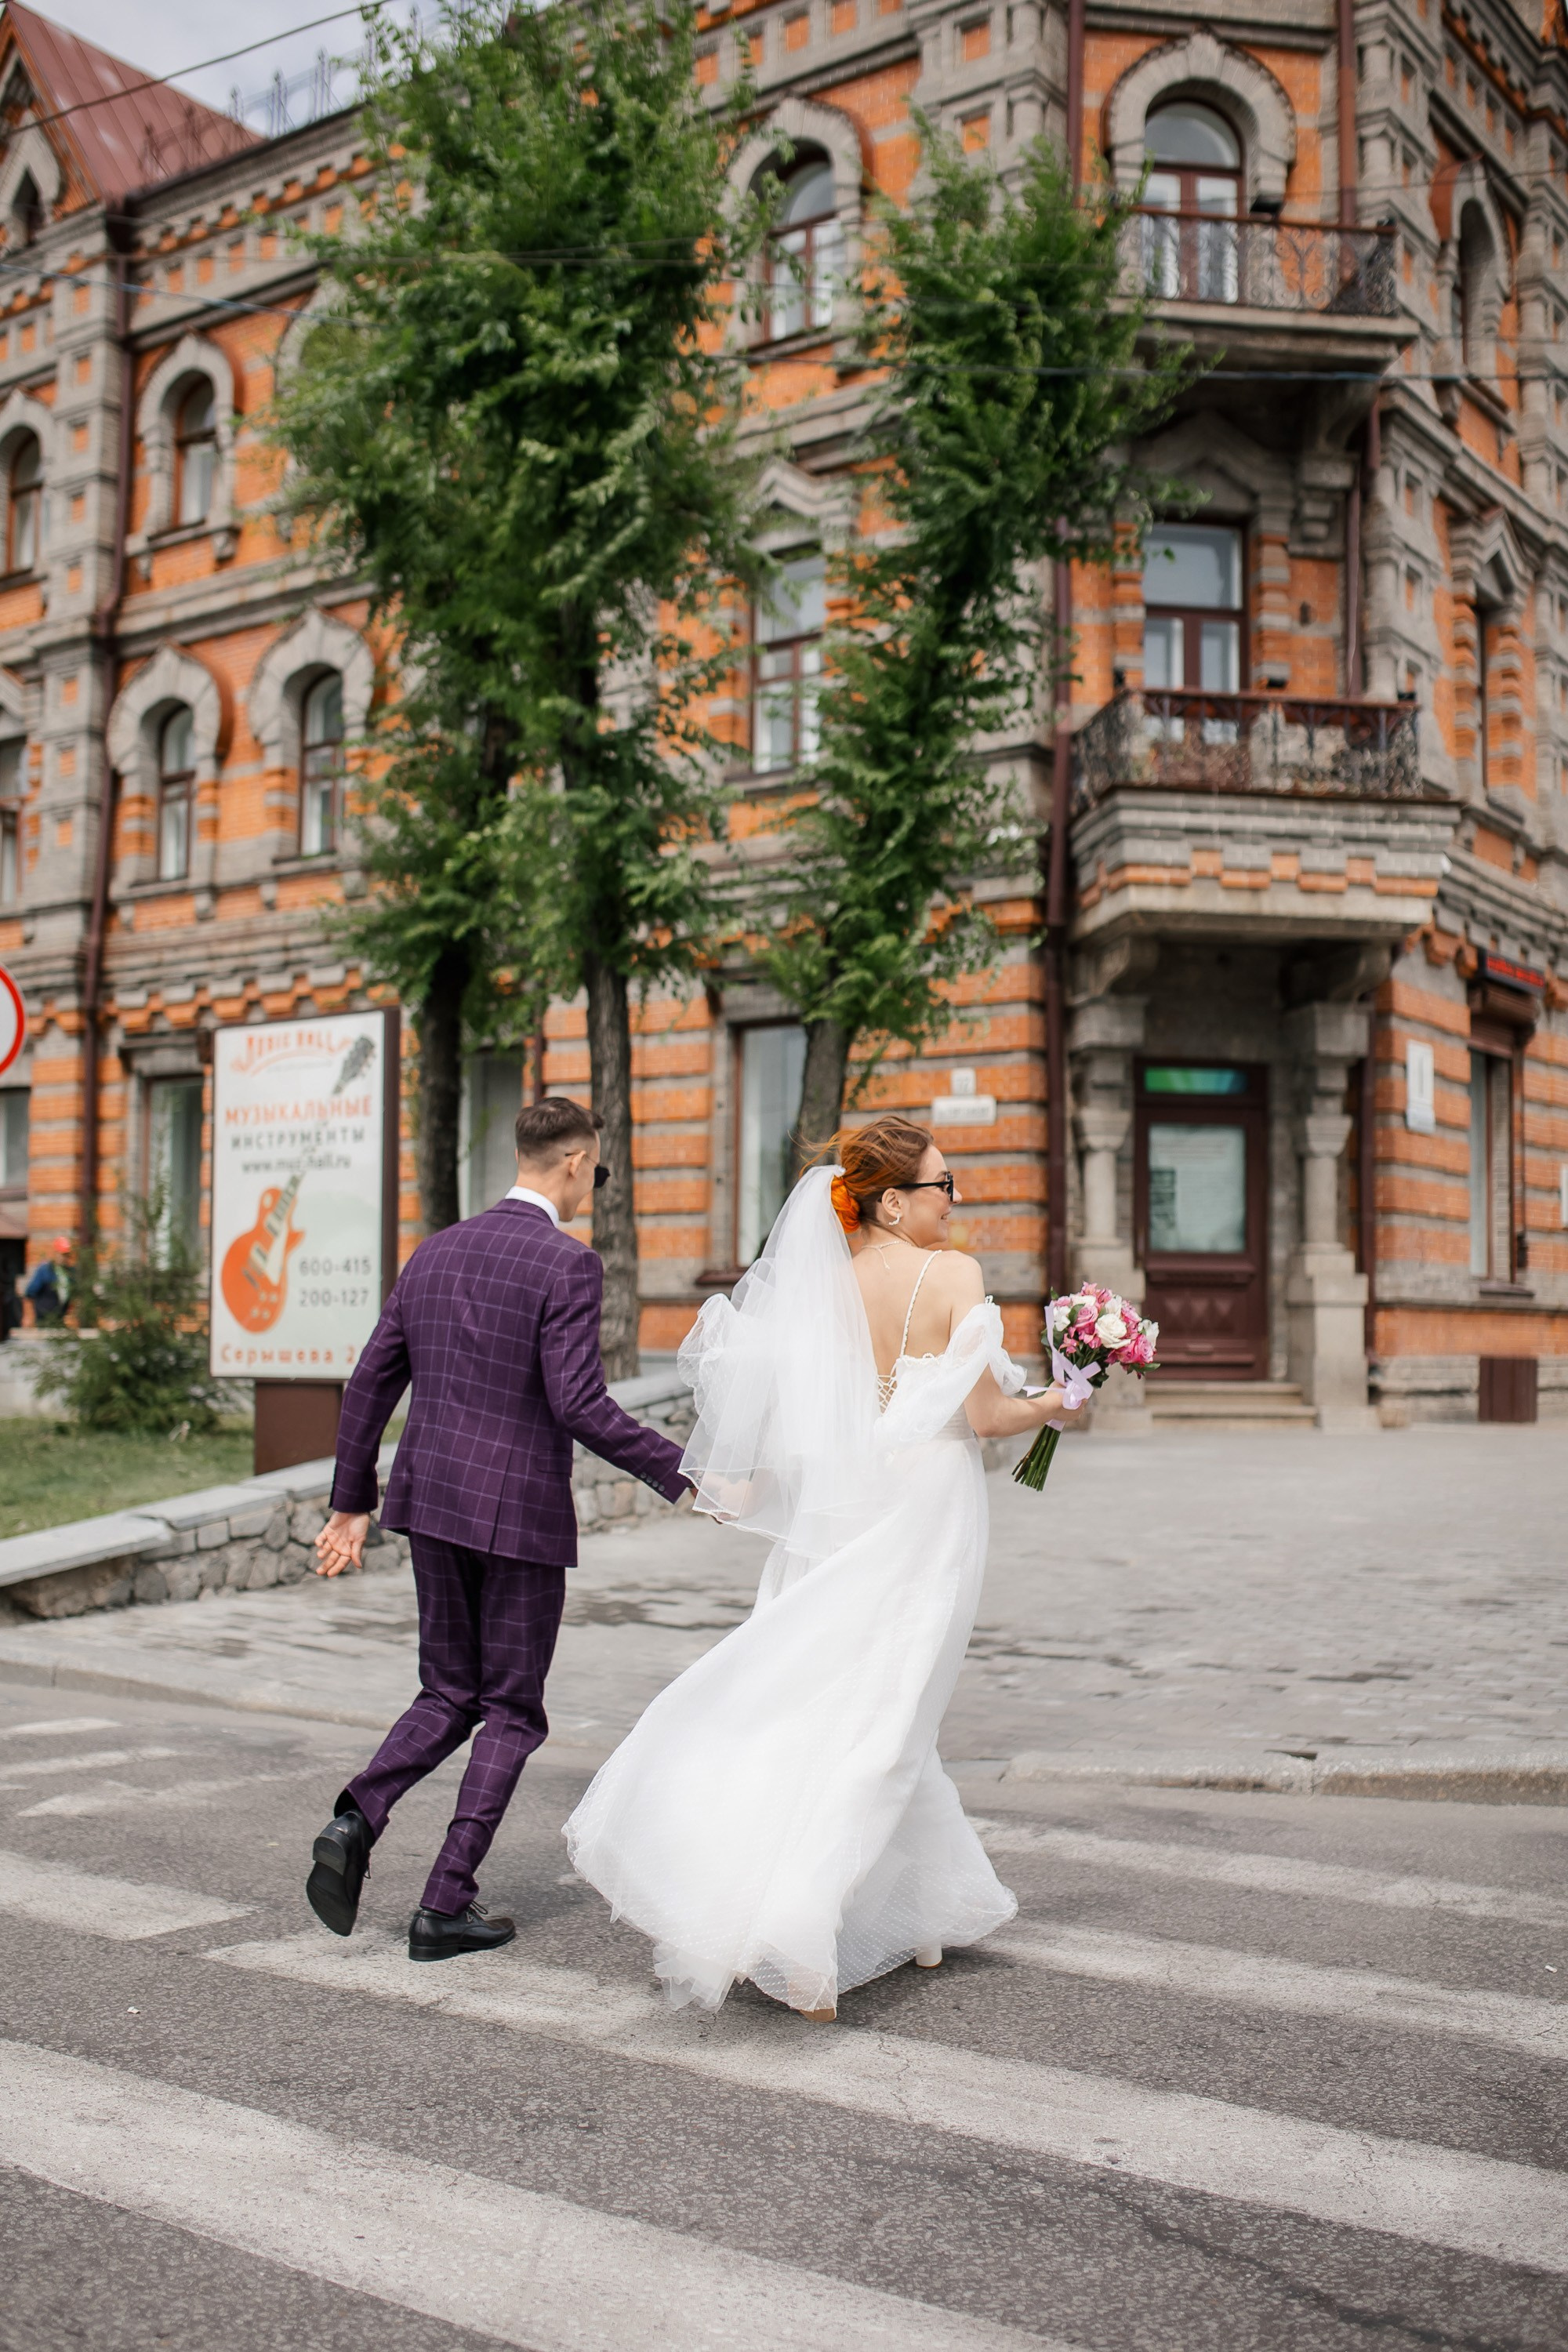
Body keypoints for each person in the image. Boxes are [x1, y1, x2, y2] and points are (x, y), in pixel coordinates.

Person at [564, 1112, 1073, 2021]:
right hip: (926, 1509)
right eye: (941, 1187)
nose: (955, 1201)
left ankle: (924, 1910)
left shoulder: (824, 1286)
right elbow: (989, 1419)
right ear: (888, 1203)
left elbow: (803, 1416)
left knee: (864, 1698)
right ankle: (798, 1937)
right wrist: (1059, 1404)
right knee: (889, 1713)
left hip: (852, 1502)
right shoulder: (951, 1275)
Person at [307, 1095, 691, 1963]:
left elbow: (369, 1382)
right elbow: (578, 1403)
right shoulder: (567, 1264)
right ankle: (443, 1904)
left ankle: (356, 1816)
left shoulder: (434, 1253)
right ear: (571, 1163)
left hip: (430, 1502)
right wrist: (679, 1471)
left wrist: (350, 1502)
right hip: (517, 1514)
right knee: (511, 1710)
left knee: (447, 1692)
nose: (595, 1182)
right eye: (596, 1168)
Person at [23, 1236, 73, 1327]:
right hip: (44, 1319)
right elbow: (29, 1294)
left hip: (60, 1319)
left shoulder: (70, 1273)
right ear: (56, 1253)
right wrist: (28, 1317)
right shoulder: (45, 1270)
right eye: (62, 1254)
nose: (65, 1258)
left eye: (67, 1255)